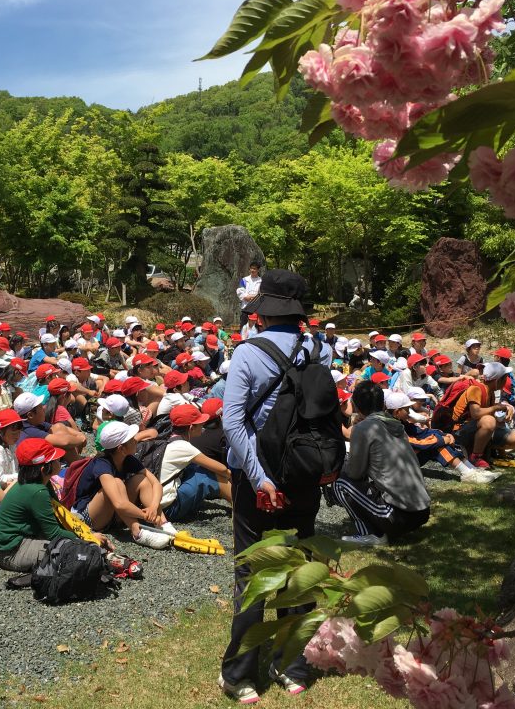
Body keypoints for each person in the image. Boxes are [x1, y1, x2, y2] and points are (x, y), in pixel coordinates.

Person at [220, 268, 330, 703]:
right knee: (298, 571)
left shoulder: (249, 353)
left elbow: (233, 421)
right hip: (304, 475)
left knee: (251, 573)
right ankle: (292, 664)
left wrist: (261, 478)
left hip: (256, 481)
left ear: (262, 313)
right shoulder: (320, 349)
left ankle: (240, 675)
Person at [324, 385, 431, 545]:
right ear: (383, 405)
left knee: (340, 482)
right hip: (422, 511)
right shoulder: (397, 426)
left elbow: (355, 473)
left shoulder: (363, 428)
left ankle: (372, 535)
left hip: (399, 517)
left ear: (357, 406)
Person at [71, 421, 173, 549]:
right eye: (131, 439)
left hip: (114, 514)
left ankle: (164, 524)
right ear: (121, 448)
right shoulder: (102, 465)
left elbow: (156, 484)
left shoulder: (128, 459)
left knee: (142, 480)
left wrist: (153, 507)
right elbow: (119, 503)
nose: (136, 440)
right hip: (91, 517)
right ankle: (138, 532)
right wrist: (146, 516)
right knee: (117, 483)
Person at [0, 438, 88, 573]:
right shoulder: (37, 491)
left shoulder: (40, 482)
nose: (59, 461)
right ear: (44, 469)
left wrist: (85, 533)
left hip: (25, 537)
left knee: (78, 520)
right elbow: (54, 533)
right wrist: (87, 539)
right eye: (55, 460)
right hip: (13, 552)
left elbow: (60, 514)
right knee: (73, 551)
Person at [157, 404, 232, 522]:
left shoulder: (169, 438)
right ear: (191, 428)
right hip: (169, 510)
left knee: (197, 468)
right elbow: (222, 469)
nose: (203, 426)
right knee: (210, 476)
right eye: (200, 424)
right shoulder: (183, 446)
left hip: (157, 504)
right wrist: (230, 476)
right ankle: (242, 506)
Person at [450, 362, 515, 468]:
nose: (506, 381)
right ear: (497, 380)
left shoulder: (491, 393)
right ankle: (475, 456)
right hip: (461, 431)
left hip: (477, 428)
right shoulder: (476, 389)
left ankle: (487, 449)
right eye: (505, 378)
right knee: (489, 420)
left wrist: (502, 417)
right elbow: (475, 414)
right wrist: (495, 408)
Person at [236, 261, 262, 328]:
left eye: (255, 269)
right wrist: (245, 297)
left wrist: (254, 297)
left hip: (256, 308)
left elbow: (261, 293)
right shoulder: (244, 279)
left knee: (255, 327)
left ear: (258, 270)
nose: (252, 270)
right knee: (243, 326)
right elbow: (240, 290)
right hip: (245, 307)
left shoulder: (261, 281)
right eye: (251, 268)